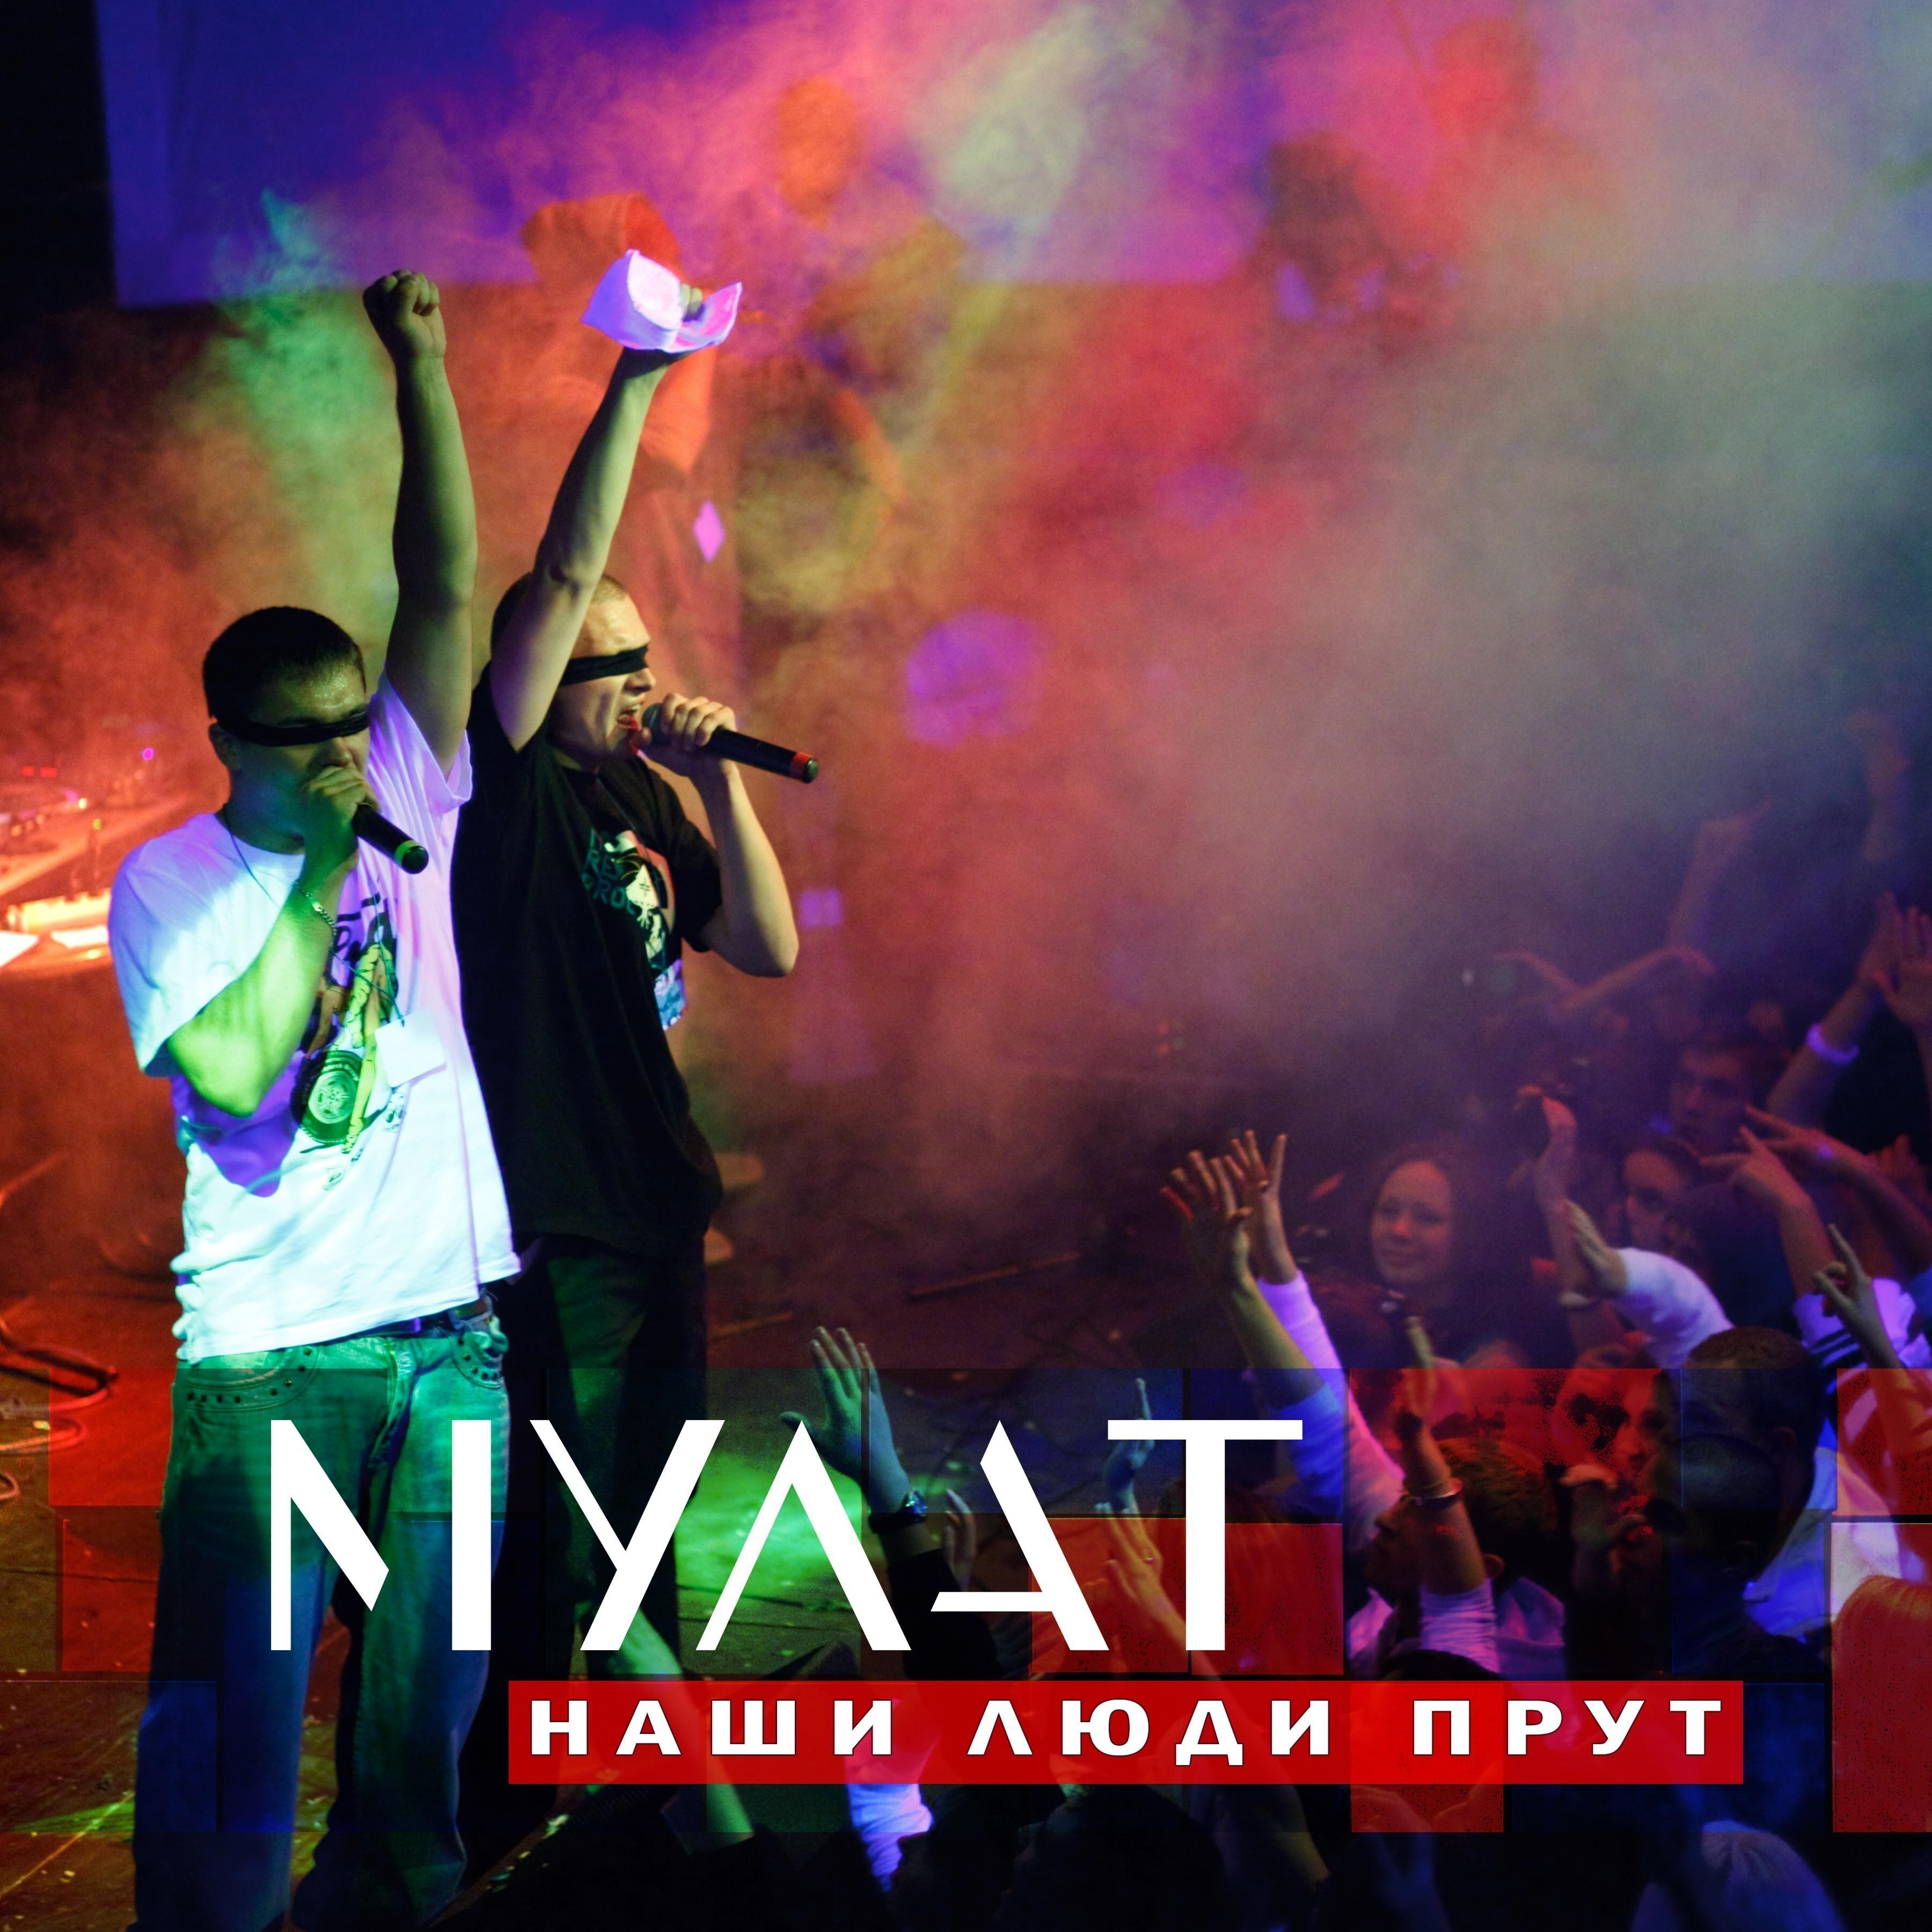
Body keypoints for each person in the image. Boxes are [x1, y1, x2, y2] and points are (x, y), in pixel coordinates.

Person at [105, 274, 515, 1931]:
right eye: (307, 744)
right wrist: (329, 865)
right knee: (232, 1743)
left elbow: (447, 580)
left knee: (427, 1739)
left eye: (358, 725)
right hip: (276, 1362)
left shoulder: (412, 775)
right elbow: (232, 1070)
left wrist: (423, 363)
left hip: (451, 1343)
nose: (349, 757)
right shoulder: (175, 881)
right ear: (230, 742)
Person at [451, 310, 799, 1863]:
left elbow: (768, 950)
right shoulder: (510, 787)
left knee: (649, 1514)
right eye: (614, 667)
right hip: (559, 1219)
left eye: (650, 662)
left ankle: (637, 1779)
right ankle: (510, 1809)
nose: (642, 686)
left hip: (659, 1202)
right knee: (554, 1523)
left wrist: (717, 775)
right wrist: (639, 382)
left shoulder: (647, 791)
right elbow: (558, 571)